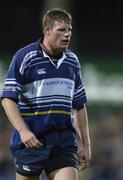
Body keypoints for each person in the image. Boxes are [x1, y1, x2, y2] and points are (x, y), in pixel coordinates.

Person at [1, 8, 91, 180]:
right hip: (31, 142)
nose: (67, 35)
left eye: (69, 30)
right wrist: (23, 131)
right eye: (61, 30)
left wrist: (86, 145)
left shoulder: (73, 62)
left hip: (62, 143)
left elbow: (79, 106)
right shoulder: (25, 57)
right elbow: (8, 99)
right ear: (47, 31)